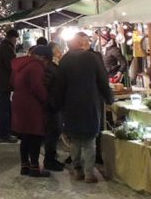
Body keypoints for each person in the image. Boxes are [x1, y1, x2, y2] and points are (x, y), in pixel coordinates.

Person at [54, 32, 113, 184]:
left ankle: (77, 169)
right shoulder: (92, 58)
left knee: (75, 140)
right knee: (89, 140)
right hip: (90, 104)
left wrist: (57, 104)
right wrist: (109, 98)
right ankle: (89, 173)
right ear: (82, 44)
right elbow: (103, 81)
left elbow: (59, 85)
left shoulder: (65, 60)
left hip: (71, 105)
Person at [11, 45, 52, 178]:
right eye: (47, 61)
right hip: (32, 105)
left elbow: (11, 82)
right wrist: (46, 99)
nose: (46, 64)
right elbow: (37, 87)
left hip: (19, 102)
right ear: (43, 58)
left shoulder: (21, 64)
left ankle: (25, 165)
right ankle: (35, 167)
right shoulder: (35, 66)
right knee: (35, 136)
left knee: (25, 136)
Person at [0, 29, 19, 143]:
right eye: (16, 39)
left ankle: (2, 132)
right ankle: (3, 134)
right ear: (13, 38)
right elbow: (12, 65)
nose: (16, 42)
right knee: (4, 109)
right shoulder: (7, 48)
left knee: (1, 108)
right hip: (3, 83)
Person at [43, 41, 65, 171]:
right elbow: (47, 87)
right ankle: (49, 160)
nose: (60, 53)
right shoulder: (50, 68)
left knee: (55, 131)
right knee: (53, 131)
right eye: (58, 51)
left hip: (55, 104)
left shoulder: (54, 66)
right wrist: (51, 102)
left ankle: (51, 158)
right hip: (52, 105)